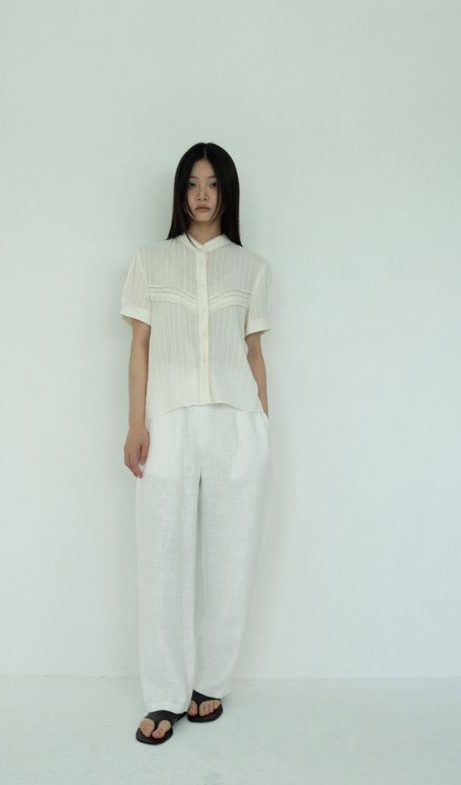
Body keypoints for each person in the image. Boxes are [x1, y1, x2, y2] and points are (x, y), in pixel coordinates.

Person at [120, 142, 272, 745]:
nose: (202, 194)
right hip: (170, 421)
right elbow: (139, 346)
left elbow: (254, 352)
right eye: (192, 183)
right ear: (180, 192)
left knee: (231, 557)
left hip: (237, 423)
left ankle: (210, 681)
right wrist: (136, 423)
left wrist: (264, 427)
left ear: (227, 192)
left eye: (212, 183)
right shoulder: (150, 260)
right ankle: (164, 692)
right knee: (161, 556)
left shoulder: (252, 267)